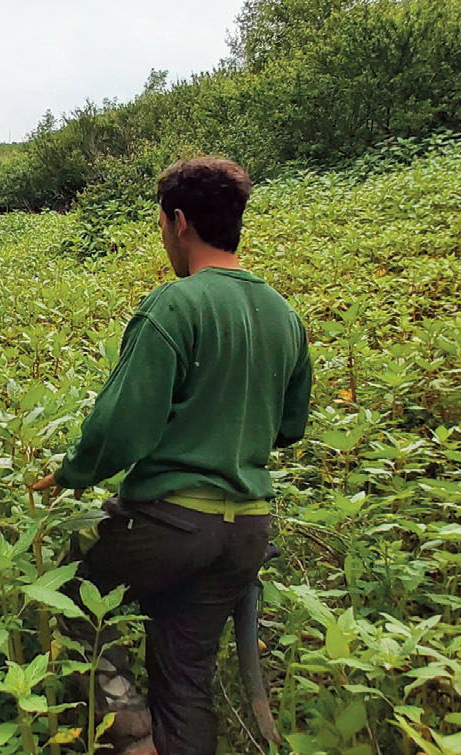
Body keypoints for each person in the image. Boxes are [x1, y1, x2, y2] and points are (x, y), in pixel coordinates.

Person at [29, 157, 312, 754]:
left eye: (160, 222)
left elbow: (122, 427)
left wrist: (71, 473)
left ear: (178, 222)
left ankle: (130, 735)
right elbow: (289, 427)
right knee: (186, 683)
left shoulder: (174, 306)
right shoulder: (285, 316)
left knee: (67, 595)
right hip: (245, 533)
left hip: (167, 524)